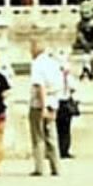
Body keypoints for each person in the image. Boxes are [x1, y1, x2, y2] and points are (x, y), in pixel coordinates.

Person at [28, 39, 61, 177]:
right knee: (52, 135)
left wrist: (43, 107)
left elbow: (40, 85)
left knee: (38, 136)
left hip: (39, 103)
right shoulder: (54, 63)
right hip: (53, 100)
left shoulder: (37, 64)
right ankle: (56, 166)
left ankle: (39, 167)